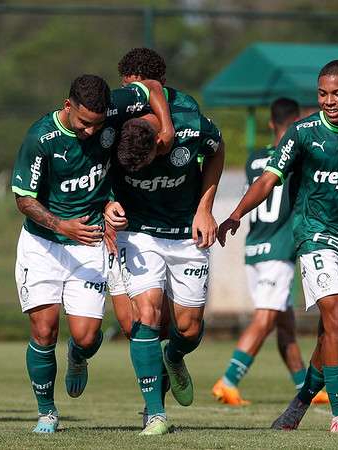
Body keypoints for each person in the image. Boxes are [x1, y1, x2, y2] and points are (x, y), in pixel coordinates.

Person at [11, 74, 172, 434]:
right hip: (43, 244)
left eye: (98, 125)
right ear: (68, 106)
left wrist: (167, 130)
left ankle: (78, 356)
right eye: (84, 123)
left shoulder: (113, 106)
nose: (91, 132)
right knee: (44, 329)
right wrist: (60, 225)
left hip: (89, 244)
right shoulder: (41, 138)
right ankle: (47, 412)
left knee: (85, 337)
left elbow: (153, 88)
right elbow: (24, 199)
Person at [220, 60, 338, 435]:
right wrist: (236, 214)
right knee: (334, 317)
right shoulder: (302, 133)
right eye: (323, 94)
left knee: (332, 332)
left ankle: (300, 401)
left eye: (337, 94)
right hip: (314, 235)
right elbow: (269, 179)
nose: (329, 101)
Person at [105, 71, 225, 435]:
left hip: (186, 235)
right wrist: (108, 202)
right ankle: (155, 413)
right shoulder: (115, 127)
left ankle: (173, 357)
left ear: (161, 140)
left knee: (188, 329)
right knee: (146, 315)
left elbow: (218, 152)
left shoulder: (192, 126)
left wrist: (205, 208)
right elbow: (94, 167)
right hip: (139, 233)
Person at [212, 98, 325, 407]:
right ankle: (228, 381)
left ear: (271, 124)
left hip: (254, 247)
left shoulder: (254, 159)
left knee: (284, 323)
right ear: (297, 123)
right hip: (279, 250)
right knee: (264, 319)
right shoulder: (299, 157)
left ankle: (306, 386)